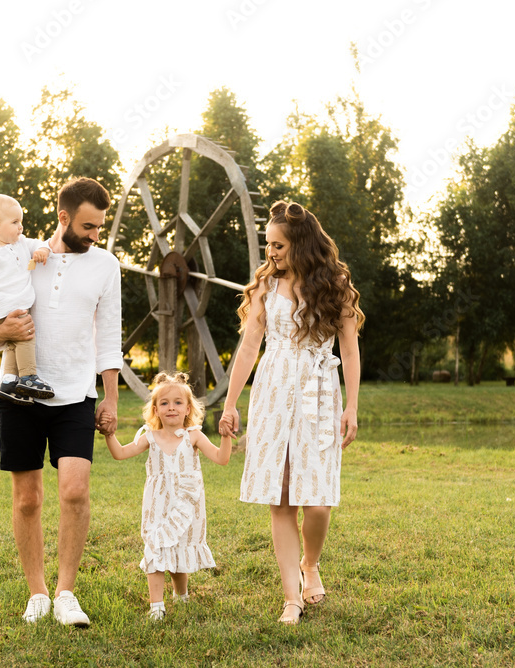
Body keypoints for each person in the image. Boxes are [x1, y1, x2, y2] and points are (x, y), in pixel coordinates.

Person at [0, 177, 122, 627]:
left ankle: (65, 593)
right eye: (88, 226)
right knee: (27, 499)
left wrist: (111, 398)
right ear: (63, 217)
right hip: (19, 395)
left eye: (99, 227)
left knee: (75, 491)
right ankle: (37, 593)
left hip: (76, 394)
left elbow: (110, 338)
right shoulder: (22, 255)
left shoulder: (107, 266)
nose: (95, 235)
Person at [218, 201, 363, 625]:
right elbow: (248, 347)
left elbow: (350, 351)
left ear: (300, 244)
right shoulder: (266, 286)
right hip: (274, 390)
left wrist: (352, 405)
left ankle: (310, 563)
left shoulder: (334, 285)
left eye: (278, 245)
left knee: (316, 500)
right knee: (280, 499)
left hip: (319, 393)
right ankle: (291, 598)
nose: (271, 253)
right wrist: (230, 403)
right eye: (268, 245)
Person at [101, 372, 232, 621]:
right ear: (155, 409)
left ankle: (181, 595)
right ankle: (156, 606)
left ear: (188, 408)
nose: (171, 407)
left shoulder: (194, 436)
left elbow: (221, 459)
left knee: (178, 547)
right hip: (157, 505)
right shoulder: (150, 437)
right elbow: (119, 453)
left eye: (177, 402)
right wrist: (109, 433)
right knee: (157, 547)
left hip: (186, 503)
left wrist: (225, 436)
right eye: (164, 403)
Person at [0, 193, 55, 404]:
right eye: (15, 222)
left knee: (13, 344)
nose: (20, 227)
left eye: (21, 222)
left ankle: (8, 381)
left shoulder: (21, 243)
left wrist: (43, 249)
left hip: (11, 306)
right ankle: (28, 377)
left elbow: (39, 243)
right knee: (25, 334)